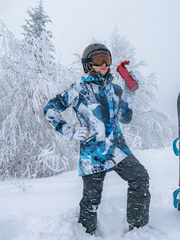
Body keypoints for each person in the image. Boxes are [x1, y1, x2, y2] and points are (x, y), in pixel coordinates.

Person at [43, 43, 150, 234]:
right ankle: (86, 234)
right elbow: (50, 109)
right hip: (93, 155)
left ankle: (138, 229)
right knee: (91, 200)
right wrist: (69, 131)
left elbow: (126, 117)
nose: (104, 65)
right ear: (88, 65)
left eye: (107, 60)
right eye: (98, 60)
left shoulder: (116, 90)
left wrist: (128, 93)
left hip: (117, 149)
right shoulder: (78, 90)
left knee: (140, 178)